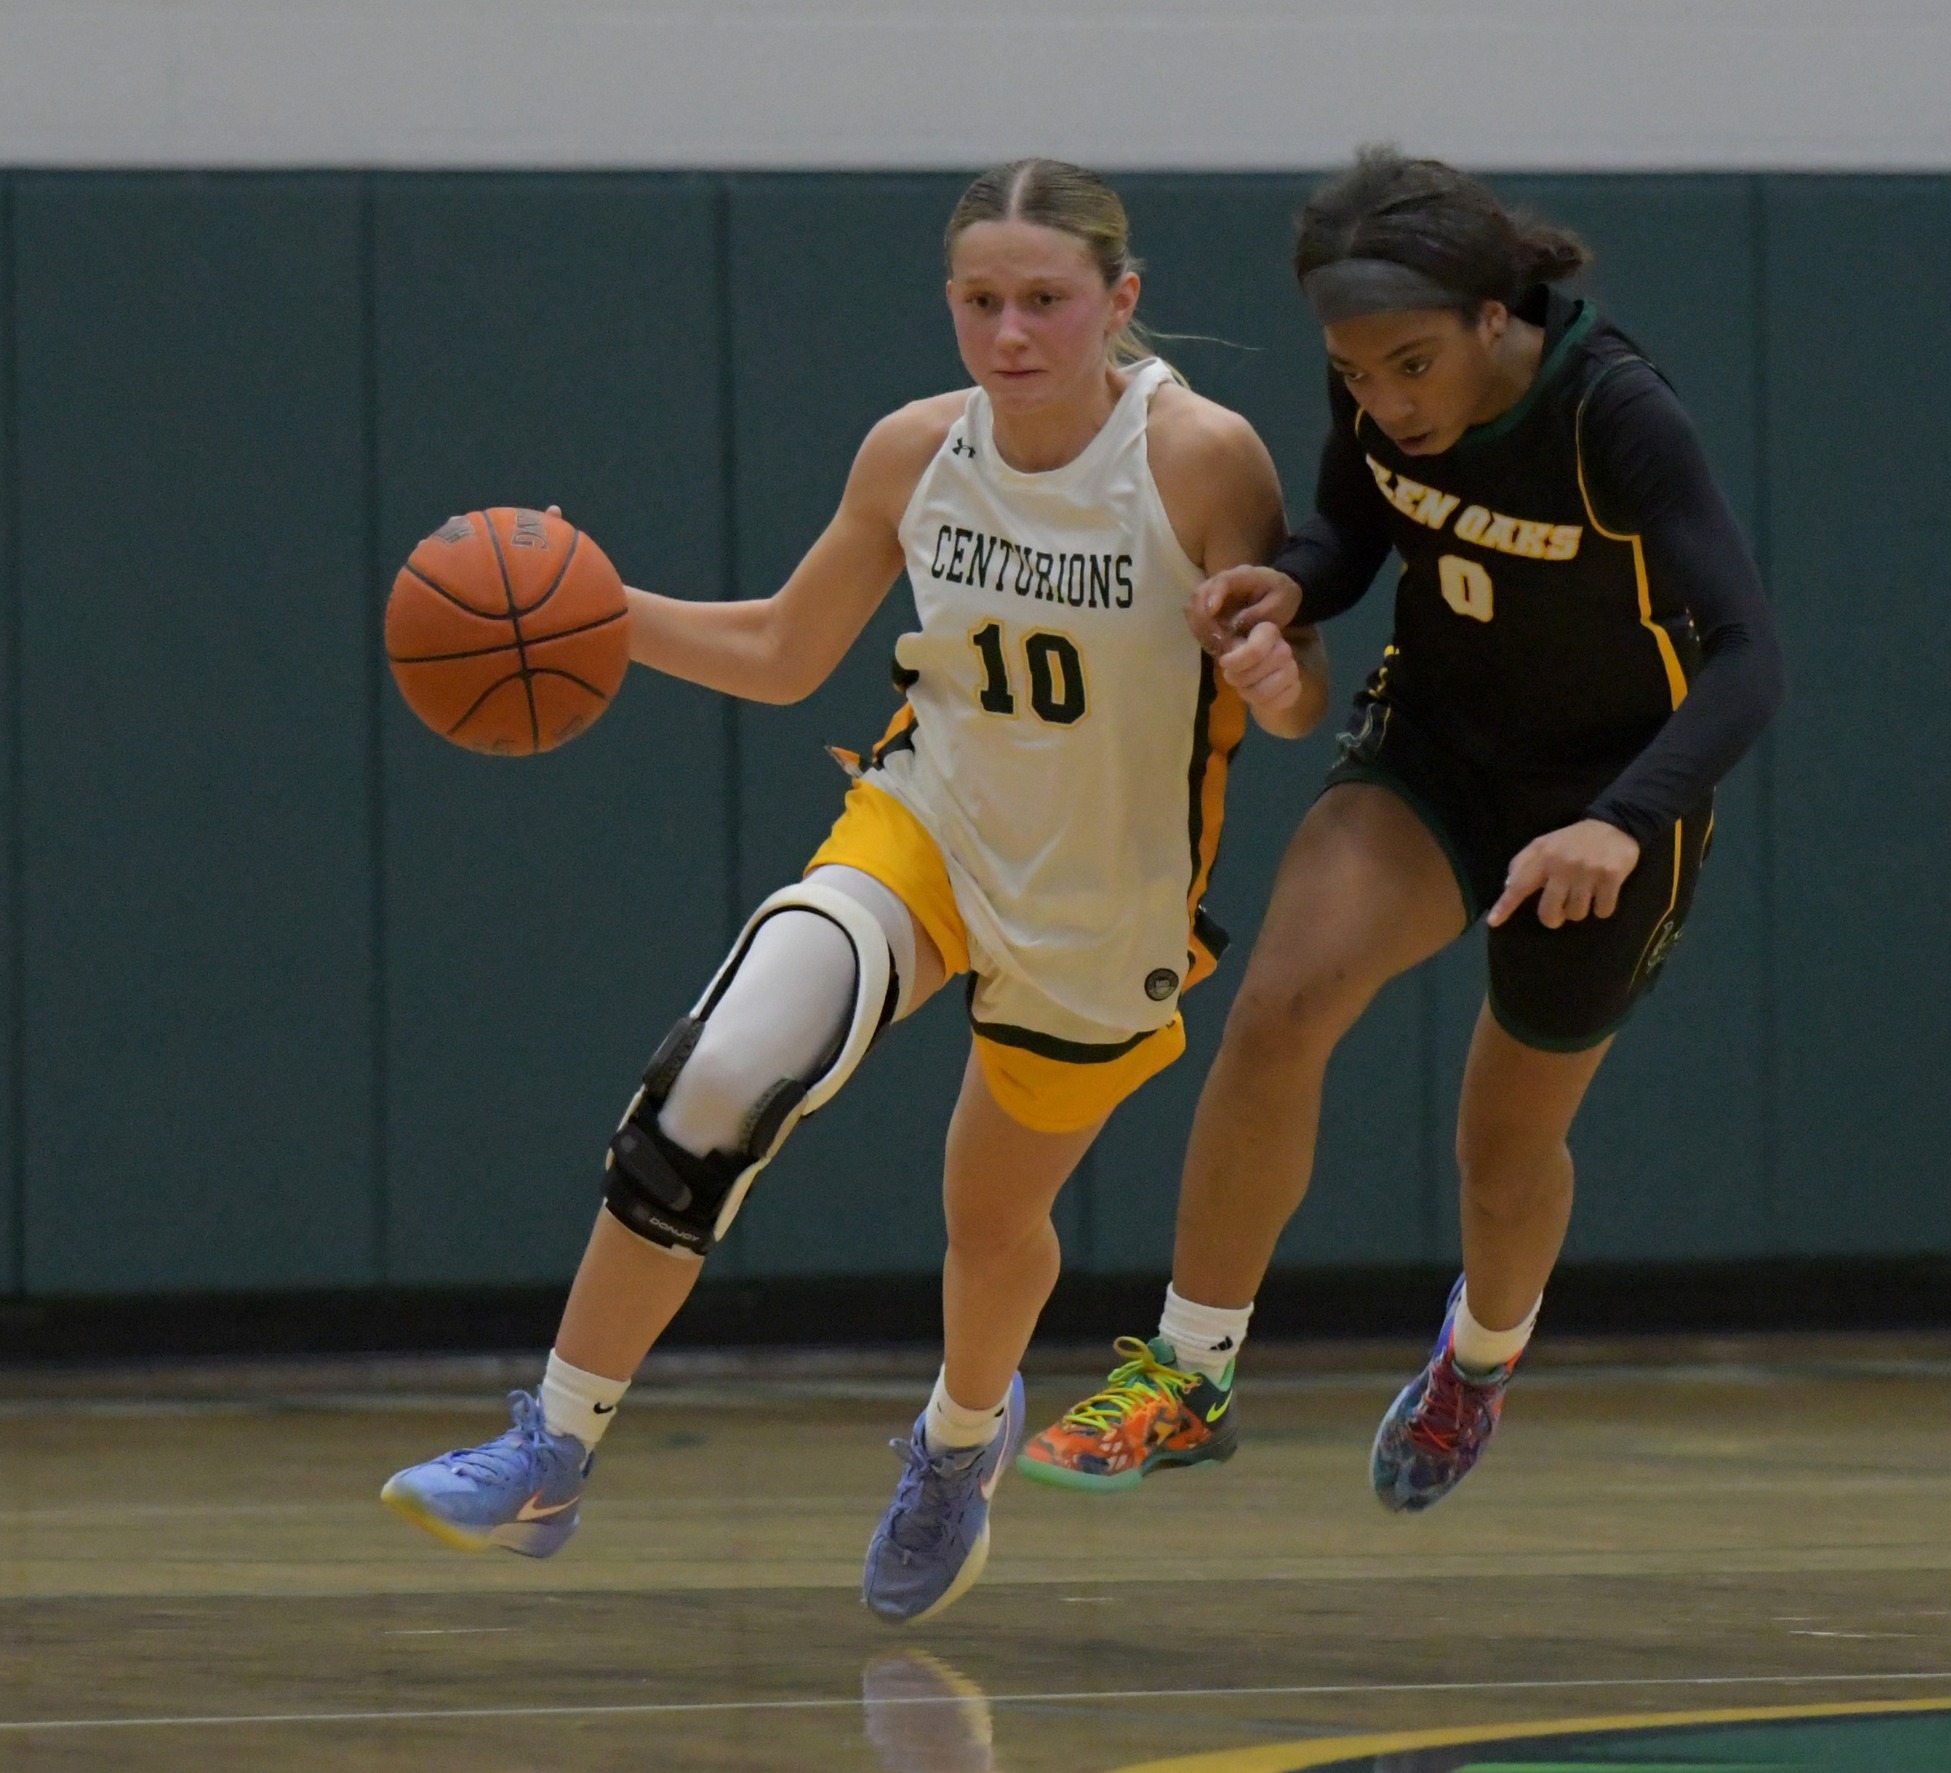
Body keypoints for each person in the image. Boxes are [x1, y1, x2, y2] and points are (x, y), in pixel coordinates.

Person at [379, 159, 1326, 1623]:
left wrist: (1274, 673)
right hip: (925, 826)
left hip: (1101, 899)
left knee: (990, 1221)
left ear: (1118, 299)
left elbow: (1296, 691)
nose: (1011, 331)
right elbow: (781, 650)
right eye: (981, 300)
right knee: (717, 1076)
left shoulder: (1201, 458)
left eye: (1046, 299)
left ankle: (959, 1444)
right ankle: (550, 1449)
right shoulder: (914, 451)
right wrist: (586, 609)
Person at [1020, 147, 1784, 1507]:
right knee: (1279, 1008)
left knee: (1502, 1153)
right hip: (1436, 746)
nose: (1387, 398)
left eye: (1413, 366)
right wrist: (1290, 583)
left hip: (1609, 796)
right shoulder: (1375, 381)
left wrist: (1620, 824)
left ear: (1495, 316)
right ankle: (1190, 1375)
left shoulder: (1614, 414)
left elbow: (1748, 659)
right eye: (1357, 372)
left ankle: (1476, 1362)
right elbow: (1354, 527)